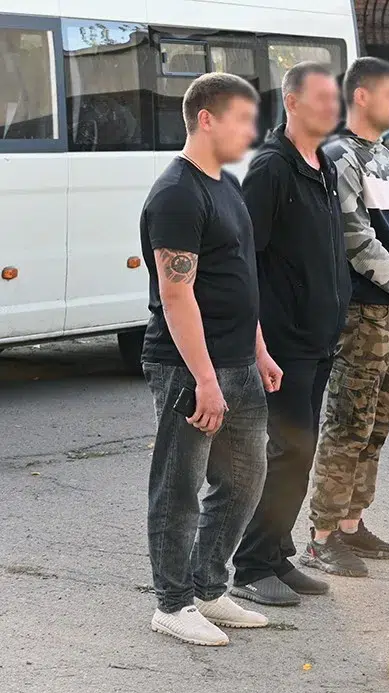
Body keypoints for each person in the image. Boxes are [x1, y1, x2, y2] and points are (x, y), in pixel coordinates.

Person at [140, 73, 283, 646]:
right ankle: (173, 604)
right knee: (179, 487)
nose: (251, 132)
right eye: (242, 120)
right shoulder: (177, 193)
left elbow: (238, 278)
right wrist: (204, 378)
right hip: (189, 368)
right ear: (206, 118)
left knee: (244, 478)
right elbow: (176, 293)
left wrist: (259, 349)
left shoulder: (226, 183)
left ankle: (207, 588)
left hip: (238, 362)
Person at [304, 57, 389, 577]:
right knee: (348, 424)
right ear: (361, 96)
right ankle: (322, 536)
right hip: (364, 312)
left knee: (378, 425)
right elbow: (354, 234)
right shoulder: (340, 155)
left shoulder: (384, 155)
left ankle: (352, 523)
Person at [231, 62, 349, 606]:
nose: (332, 107)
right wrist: (257, 343)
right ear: (293, 102)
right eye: (321, 98)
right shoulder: (272, 168)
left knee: (300, 451)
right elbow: (245, 260)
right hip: (284, 342)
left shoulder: (323, 164)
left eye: (335, 98)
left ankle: (277, 555)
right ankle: (252, 565)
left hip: (319, 338)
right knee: (288, 451)